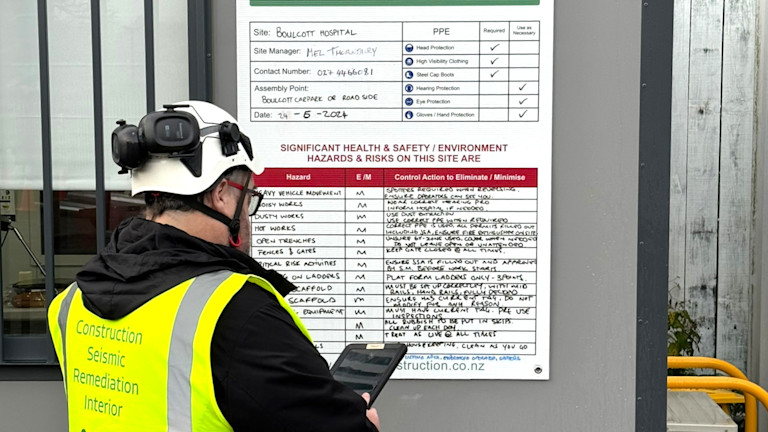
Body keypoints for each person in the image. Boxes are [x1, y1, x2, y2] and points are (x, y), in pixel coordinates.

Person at [48, 101, 381, 432]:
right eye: (248, 198)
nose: (248, 215)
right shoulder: (237, 313)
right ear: (223, 194)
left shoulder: (71, 303)